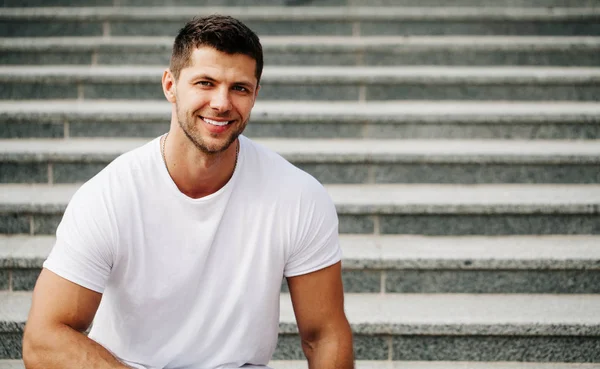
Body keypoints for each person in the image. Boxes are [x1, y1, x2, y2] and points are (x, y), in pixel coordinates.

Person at [22, 15, 354, 369]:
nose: (222, 103)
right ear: (170, 85)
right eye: (205, 83)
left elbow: (324, 336)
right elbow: (43, 341)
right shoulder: (109, 196)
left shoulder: (298, 195)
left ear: (256, 94)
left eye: (239, 88)